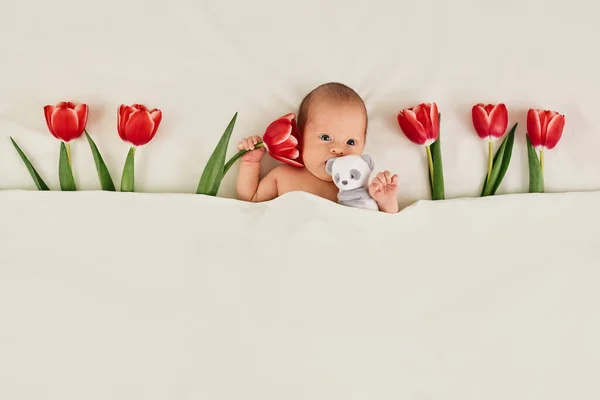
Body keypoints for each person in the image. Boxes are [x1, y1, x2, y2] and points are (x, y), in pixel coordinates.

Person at [235, 82, 399, 213]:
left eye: (350, 142)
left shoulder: (363, 185)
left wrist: (386, 202)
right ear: (300, 137)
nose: (338, 149)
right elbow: (249, 201)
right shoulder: (283, 176)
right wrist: (251, 163)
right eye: (326, 137)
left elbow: (379, 225)